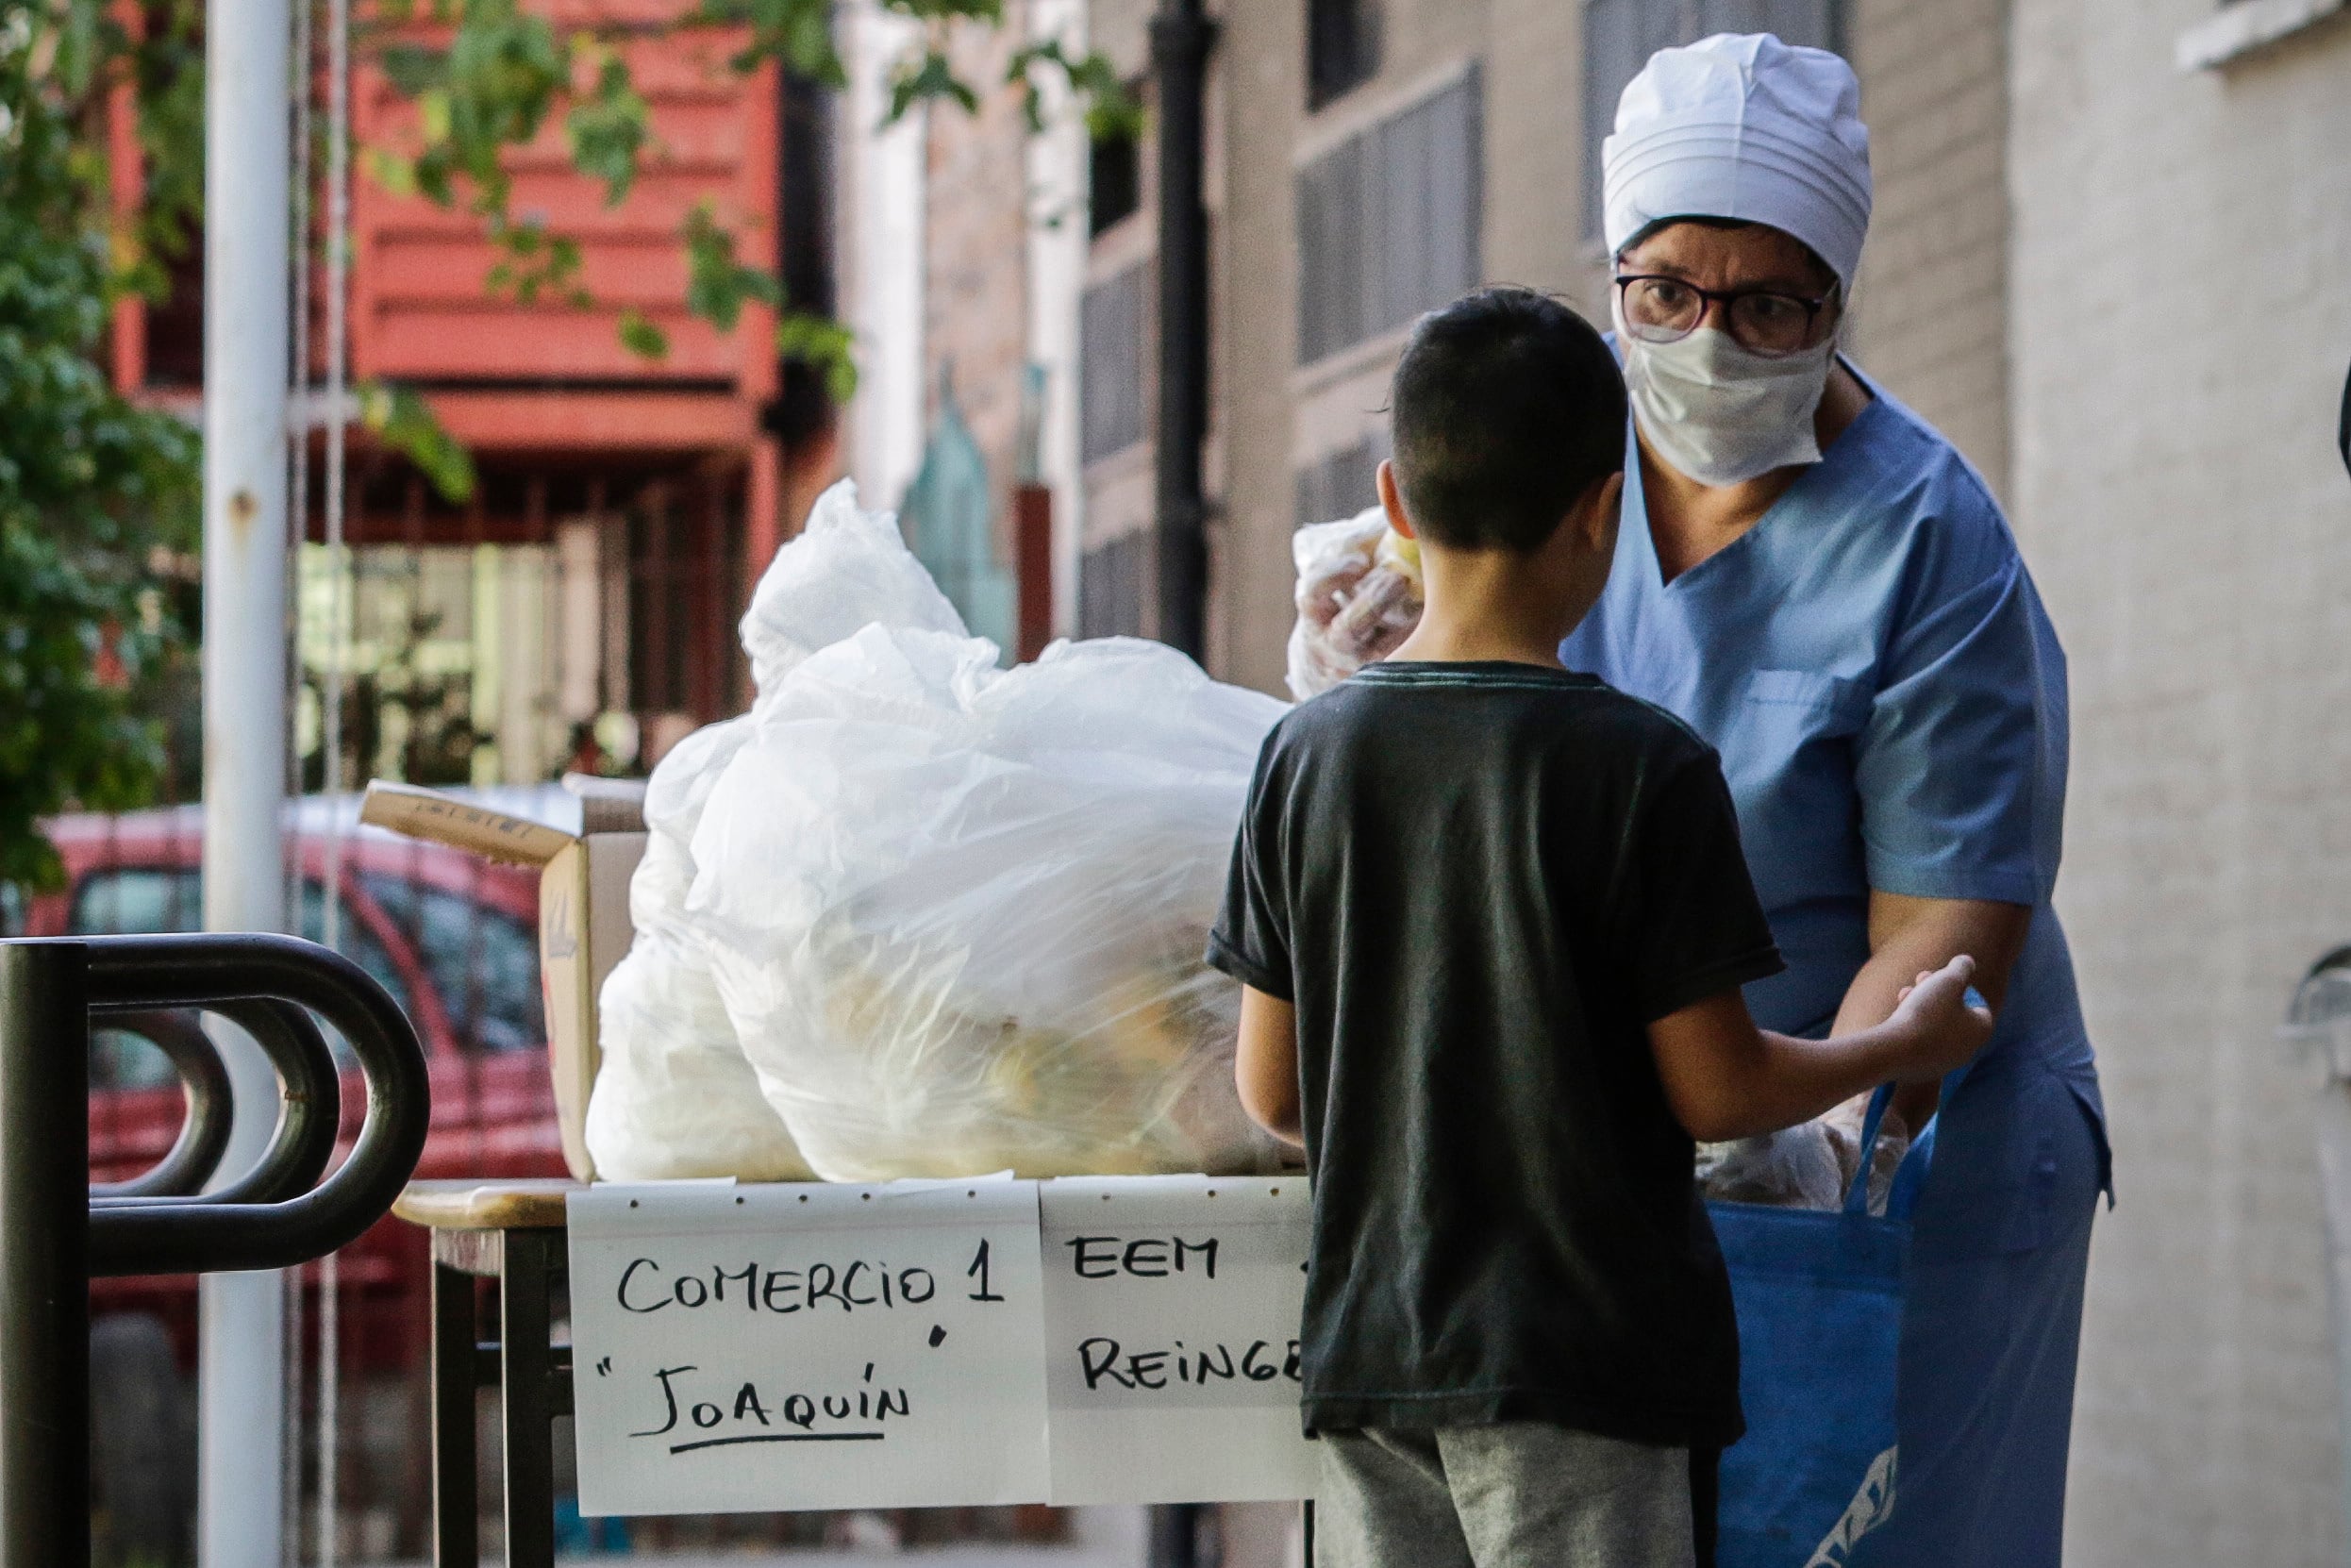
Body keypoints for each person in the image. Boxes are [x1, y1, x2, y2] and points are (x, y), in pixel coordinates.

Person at [1206, 287, 1993, 1568]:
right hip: (1591, 1373)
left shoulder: (1303, 758)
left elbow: (1275, 1092)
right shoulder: (1644, 768)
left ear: (1396, 502)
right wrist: (1898, 1044)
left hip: (1372, 1363)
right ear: (1603, 511)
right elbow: (1722, 1091)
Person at [1566, 33, 2112, 1566]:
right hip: (1641, 1149)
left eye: (1770, 305)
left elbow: (1944, 934)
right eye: (1666, 294)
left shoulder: (1931, 539)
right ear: (1616, 274)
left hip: (1902, 1152)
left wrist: (1780, 1136)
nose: (1711, 341)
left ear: (1835, 302)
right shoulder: (1555, 453)